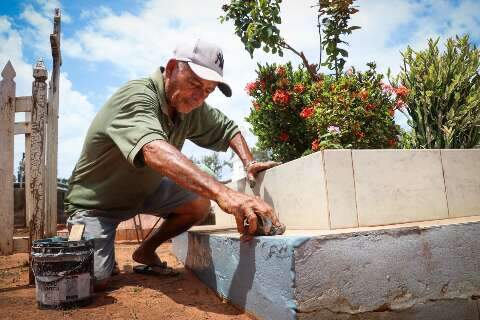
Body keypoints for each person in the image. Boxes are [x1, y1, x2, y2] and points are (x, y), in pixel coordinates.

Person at [65, 38, 284, 291]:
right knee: (94, 280)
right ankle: (77, 245)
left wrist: (249, 162)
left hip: (142, 194)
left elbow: (228, 129)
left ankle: (146, 251)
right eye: (195, 83)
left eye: (209, 90)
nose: (200, 97)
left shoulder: (190, 107)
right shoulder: (136, 97)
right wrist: (225, 194)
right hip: (96, 206)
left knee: (199, 202)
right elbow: (153, 150)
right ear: (170, 69)